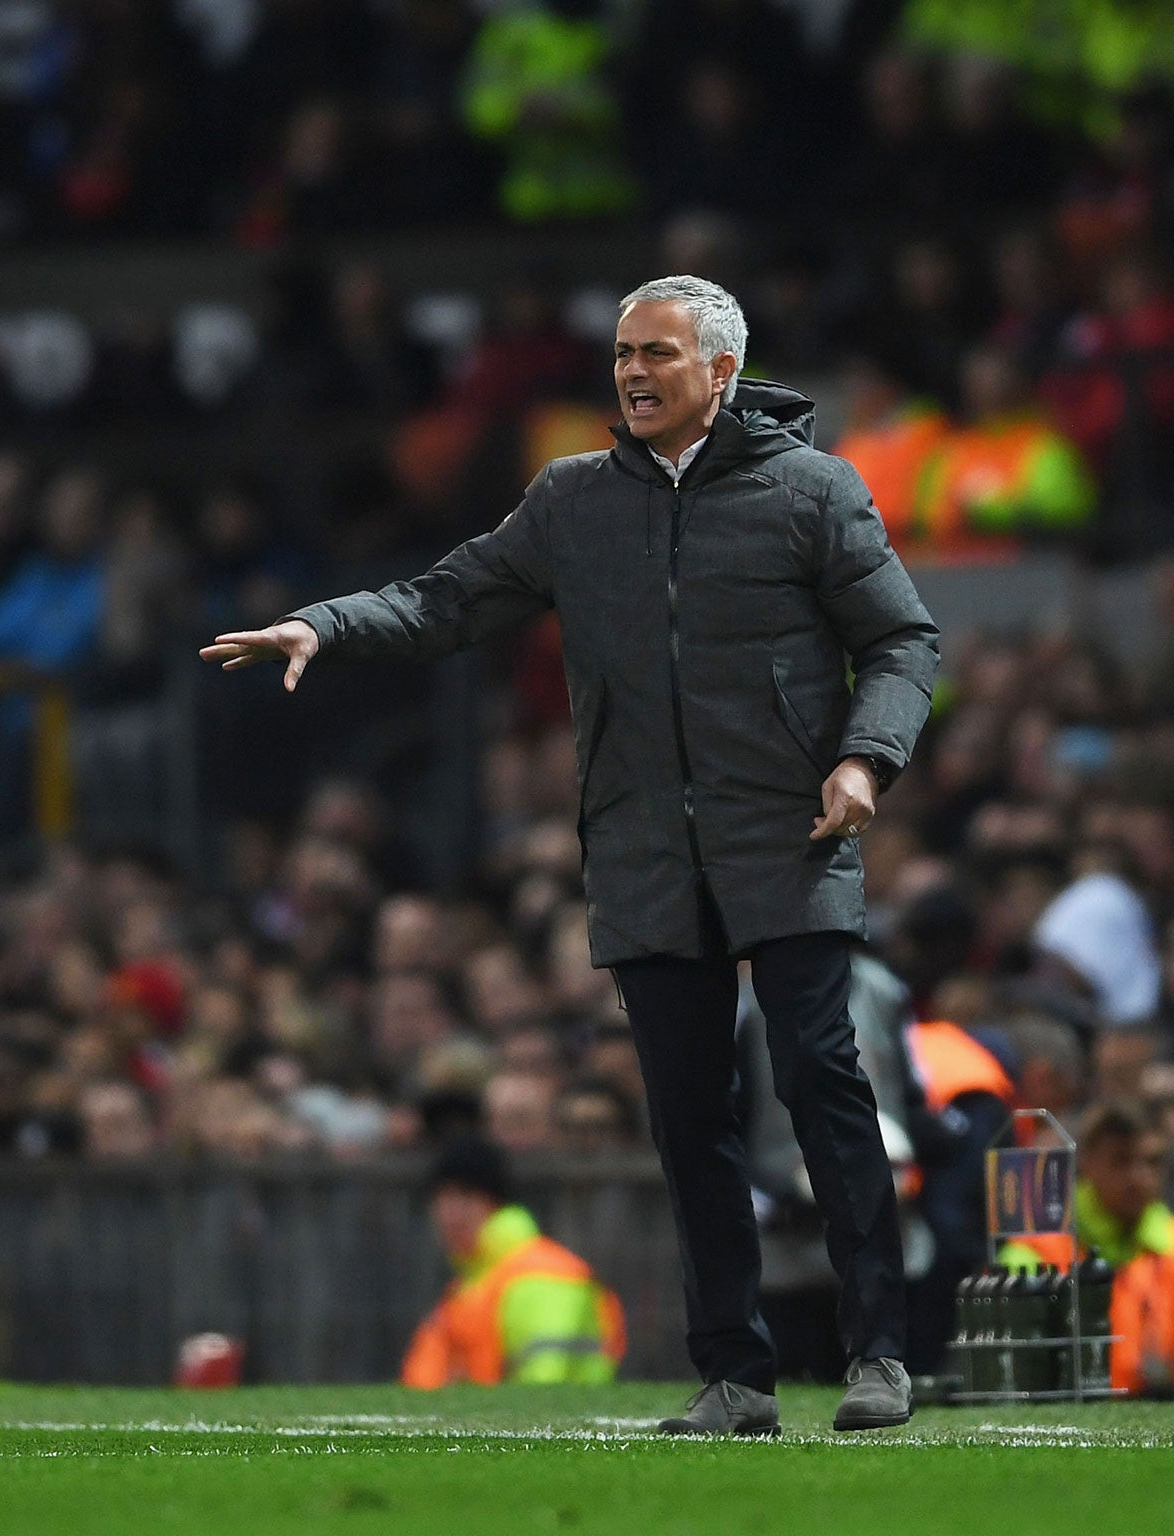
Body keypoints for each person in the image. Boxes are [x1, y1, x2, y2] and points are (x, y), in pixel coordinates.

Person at [207, 275, 940, 1435]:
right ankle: (736, 1380)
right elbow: (447, 599)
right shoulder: (572, 501)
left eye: (656, 353)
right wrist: (324, 625)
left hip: (787, 834)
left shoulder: (814, 492)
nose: (632, 374)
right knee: (686, 1121)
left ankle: (878, 1357)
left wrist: (865, 761)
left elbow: (900, 641)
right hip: (645, 851)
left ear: (721, 374)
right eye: (619, 355)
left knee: (816, 1080)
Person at [1000, 1101, 1174, 1402]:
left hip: (1173, 1415)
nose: (1139, 1177)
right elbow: (1014, 1369)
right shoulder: (1037, 1251)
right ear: (1086, 1163)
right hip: (1070, 1420)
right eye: (1121, 1161)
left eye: (1152, 1162)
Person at [400, 1136, 625, 1387]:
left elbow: (543, 1392)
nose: (450, 1212)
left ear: (495, 1203)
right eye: (442, 1197)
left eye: (466, 1195)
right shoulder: (473, 1282)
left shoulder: (542, 1275)